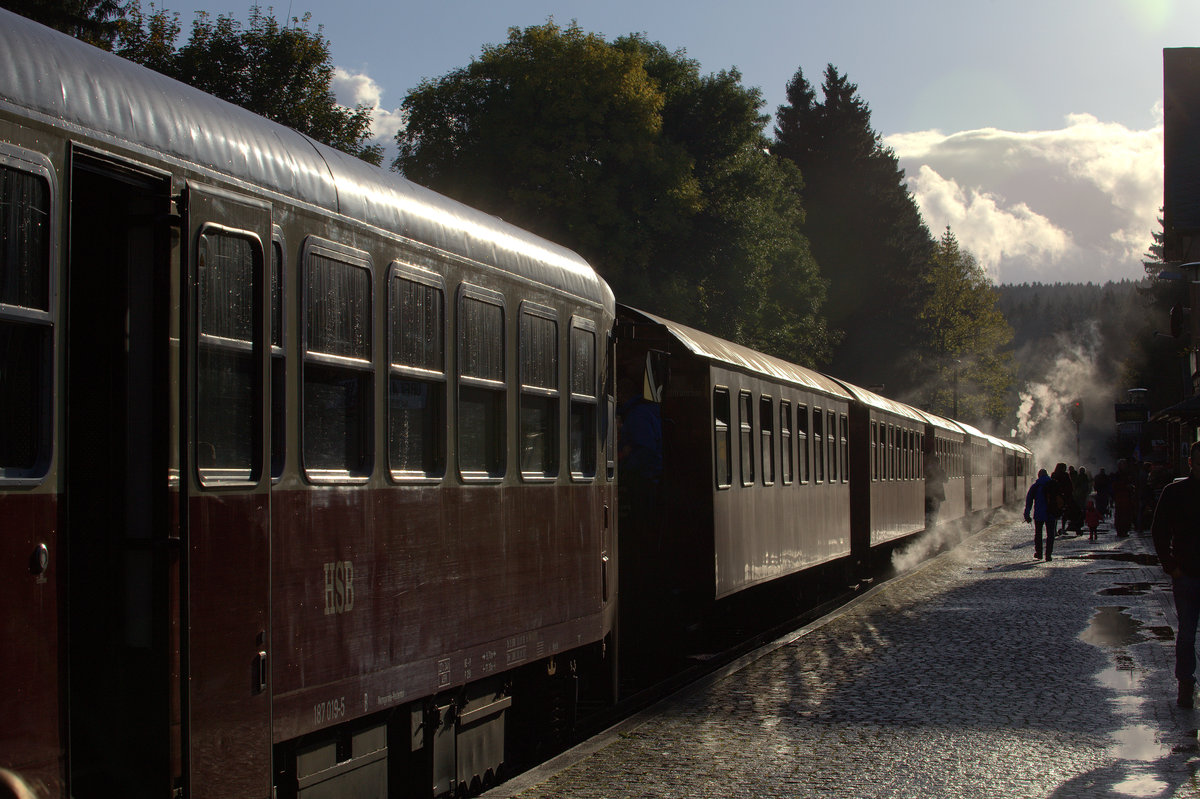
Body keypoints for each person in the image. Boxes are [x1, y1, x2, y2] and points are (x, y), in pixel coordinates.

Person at [1152, 440, 1200, 708]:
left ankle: (1186, 682)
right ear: (1191, 462)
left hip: (1186, 573)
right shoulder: (1175, 492)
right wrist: (1171, 566)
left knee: (1187, 633)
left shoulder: (1175, 492)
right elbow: (1158, 530)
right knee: (1186, 634)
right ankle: (1185, 682)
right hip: (1187, 574)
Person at [1024, 468, 1059, 562]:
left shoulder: (1035, 486)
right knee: (1050, 535)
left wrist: (1027, 514)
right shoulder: (1053, 484)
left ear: (1038, 475)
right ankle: (1048, 555)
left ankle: (1039, 553)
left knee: (1038, 534)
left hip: (1039, 514)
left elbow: (1029, 501)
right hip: (1051, 513)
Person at [924, 453, 947, 530]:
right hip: (931, 494)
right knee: (932, 511)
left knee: (933, 511)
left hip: (935, 494)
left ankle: (931, 525)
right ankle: (931, 526)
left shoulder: (937, 471)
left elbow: (946, 480)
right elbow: (946, 480)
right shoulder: (934, 471)